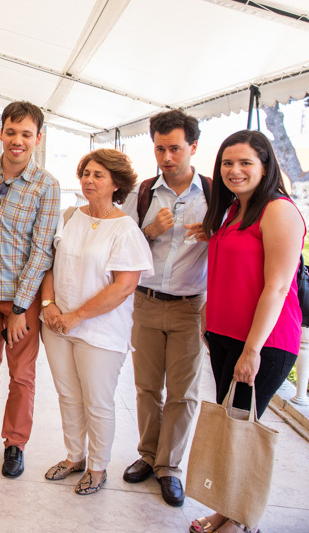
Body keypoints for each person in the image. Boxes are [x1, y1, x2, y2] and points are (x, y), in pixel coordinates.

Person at [190, 130, 305, 533]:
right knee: (230, 426)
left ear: (265, 166)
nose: (234, 170)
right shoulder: (235, 211)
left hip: (262, 342)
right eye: (227, 163)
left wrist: (252, 350)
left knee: (243, 429)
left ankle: (241, 519)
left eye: (245, 163)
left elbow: (277, 287)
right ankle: (227, 510)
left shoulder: (279, 211)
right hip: (226, 336)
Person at [40, 149, 152, 495]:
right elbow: (49, 263)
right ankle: (74, 457)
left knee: (97, 401)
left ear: (116, 183)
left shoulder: (125, 229)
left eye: (98, 175)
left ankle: (97, 467)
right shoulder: (69, 215)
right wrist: (49, 304)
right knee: (68, 395)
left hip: (100, 331)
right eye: (86, 173)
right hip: (57, 325)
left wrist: (77, 316)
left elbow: (124, 287)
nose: (88, 180)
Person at [0, 101, 59, 478]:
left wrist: (20, 308)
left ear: (38, 139)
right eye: (11, 132)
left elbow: (42, 250)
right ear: (1, 132)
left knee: (22, 375)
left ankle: (15, 443)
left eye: (26, 134)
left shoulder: (46, 186)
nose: (18, 140)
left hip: (21, 298)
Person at [120, 110, 210, 506]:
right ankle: (148, 455)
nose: (167, 157)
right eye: (160, 149)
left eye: (175, 148)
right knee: (146, 387)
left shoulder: (214, 195)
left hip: (191, 306)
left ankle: (169, 466)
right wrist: (150, 231)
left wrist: (214, 235)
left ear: (193, 147)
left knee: (183, 392)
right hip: (146, 300)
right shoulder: (143, 193)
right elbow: (122, 246)